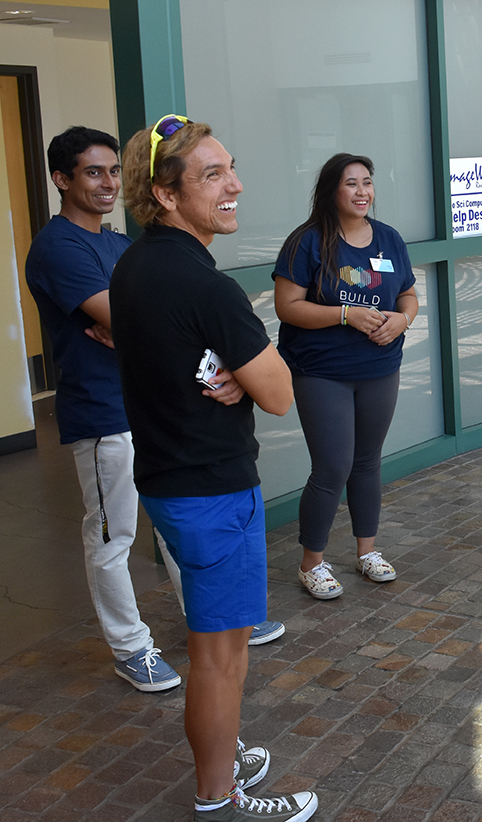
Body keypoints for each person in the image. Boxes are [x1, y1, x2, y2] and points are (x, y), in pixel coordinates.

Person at [110, 114, 316, 822]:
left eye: (229, 167)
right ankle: (216, 793)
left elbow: (160, 352)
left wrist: (229, 363)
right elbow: (281, 394)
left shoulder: (137, 265)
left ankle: (220, 756)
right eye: (210, 175)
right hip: (212, 490)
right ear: (165, 195)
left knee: (215, 652)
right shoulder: (206, 287)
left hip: (171, 482)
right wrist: (243, 362)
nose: (233, 185)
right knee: (220, 658)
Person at [24, 126, 184, 692]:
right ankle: (130, 647)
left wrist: (137, 324)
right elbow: (133, 316)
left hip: (149, 403)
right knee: (114, 535)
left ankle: (209, 620)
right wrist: (138, 322)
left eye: (114, 170)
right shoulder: (58, 246)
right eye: (94, 172)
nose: (109, 182)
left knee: (174, 520)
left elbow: (148, 312)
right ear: (62, 179)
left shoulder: (119, 244)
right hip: (102, 411)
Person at [273, 153, 419, 600]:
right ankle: (311, 562)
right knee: (333, 465)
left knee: (367, 461)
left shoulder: (389, 239)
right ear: (331, 192)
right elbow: (288, 306)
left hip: (379, 368)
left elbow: (408, 294)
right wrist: (345, 315)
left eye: (368, 183)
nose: (362, 192)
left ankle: (367, 552)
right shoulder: (308, 242)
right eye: (351, 183)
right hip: (322, 371)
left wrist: (403, 320)